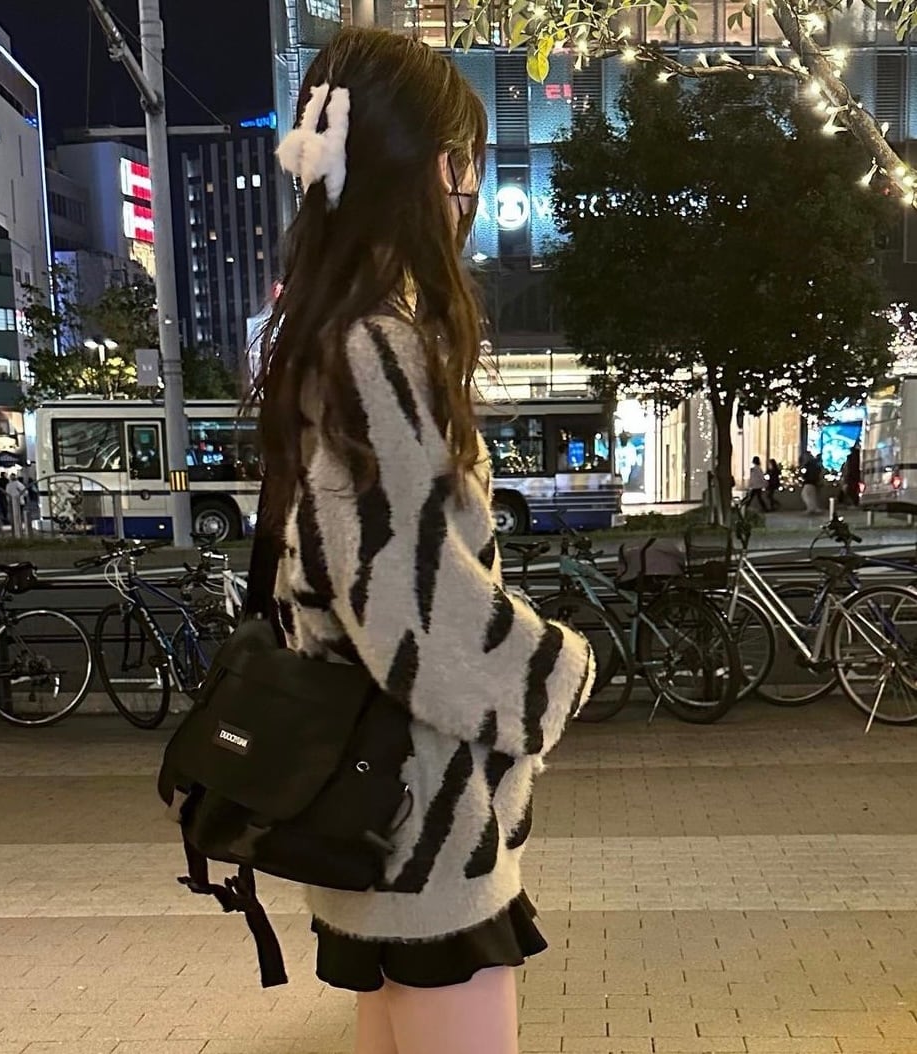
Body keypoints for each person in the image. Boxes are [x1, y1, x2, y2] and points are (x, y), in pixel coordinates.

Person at [257, 28, 595, 1054]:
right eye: (467, 162)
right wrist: (557, 668)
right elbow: (414, 611)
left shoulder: (334, 336)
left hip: (378, 805)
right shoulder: (378, 347)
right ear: (440, 169)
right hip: (420, 819)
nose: (470, 188)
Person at [840, 442, 862, 507]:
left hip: (851, 476)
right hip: (853, 475)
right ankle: (854, 502)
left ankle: (854, 502)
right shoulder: (855, 455)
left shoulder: (851, 456)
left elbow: (847, 468)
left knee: (852, 488)